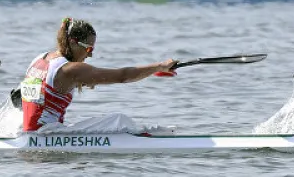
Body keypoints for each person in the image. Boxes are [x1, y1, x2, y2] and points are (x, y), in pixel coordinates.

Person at [17, 18, 178, 132]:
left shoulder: (40, 59)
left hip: (31, 132)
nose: (90, 55)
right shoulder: (71, 70)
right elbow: (122, 76)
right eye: (89, 49)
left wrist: (81, 81)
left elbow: (40, 95)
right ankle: (150, 137)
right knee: (118, 120)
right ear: (73, 42)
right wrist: (160, 66)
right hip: (47, 135)